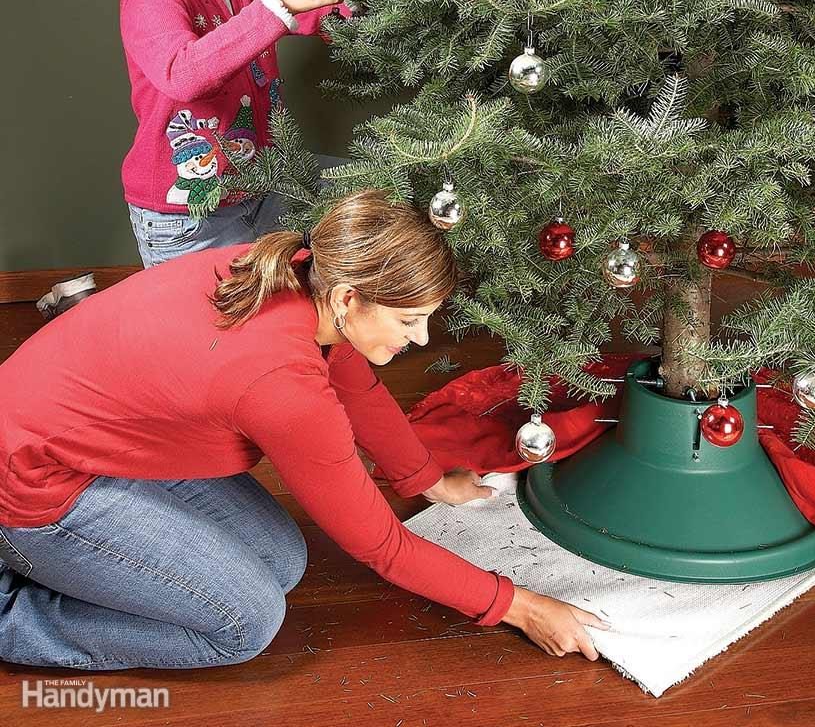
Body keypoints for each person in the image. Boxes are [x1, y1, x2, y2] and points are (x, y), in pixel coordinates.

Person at [0, 191, 608, 670]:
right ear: (348, 298)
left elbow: (358, 385)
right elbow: (382, 548)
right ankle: (12, 613)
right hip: (29, 483)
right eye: (409, 320)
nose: (420, 339)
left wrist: (425, 480)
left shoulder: (295, 272)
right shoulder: (282, 387)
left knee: (283, 561)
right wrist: (520, 607)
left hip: (82, 434)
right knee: (244, 624)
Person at [102, 0, 360, 267]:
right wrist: (278, 5)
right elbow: (182, 75)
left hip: (266, 187)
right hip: (189, 214)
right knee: (215, 332)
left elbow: (327, 16)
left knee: (365, 194)